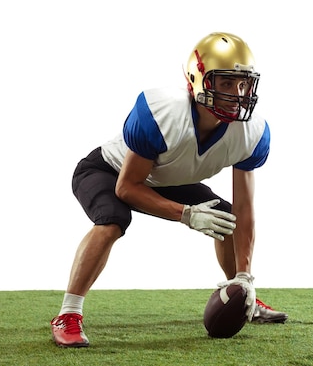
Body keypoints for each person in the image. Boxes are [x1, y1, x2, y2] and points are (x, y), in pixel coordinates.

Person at [51, 32, 288, 348]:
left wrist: (245, 277)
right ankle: (68, 314)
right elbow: (127, 187)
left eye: (243, 84)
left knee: (226, 218)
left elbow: (244, 209)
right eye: (227, 83)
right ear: (199, 80)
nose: (238, 93)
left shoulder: (251, 132)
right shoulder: (163, 113)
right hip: (110, 172)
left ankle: (240, 296)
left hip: (165, 179)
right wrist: (186, 214)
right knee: (112, 219)